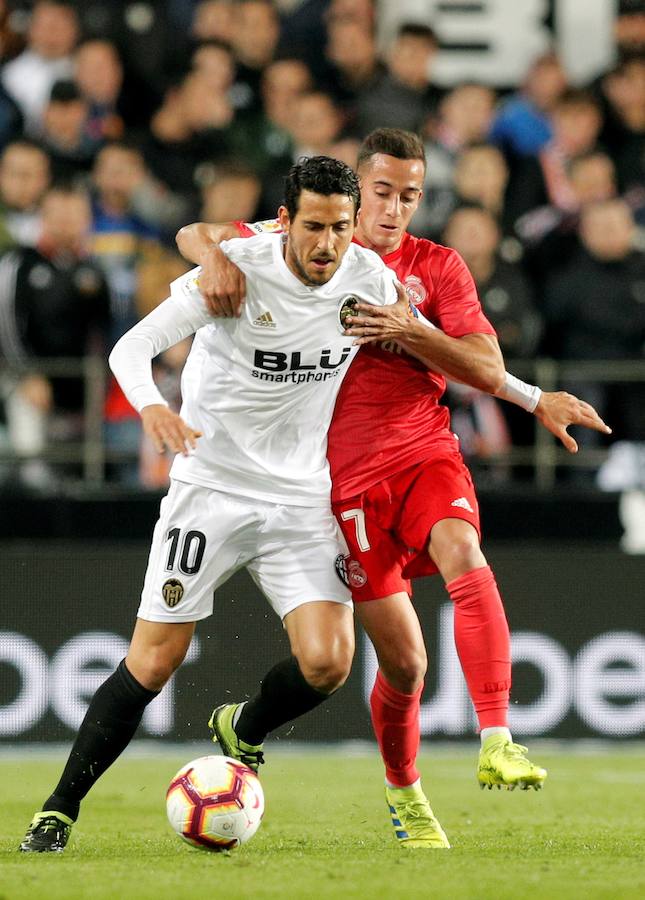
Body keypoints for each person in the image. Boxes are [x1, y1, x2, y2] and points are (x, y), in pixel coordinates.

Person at [176, 128, 611, 849]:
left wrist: (413, 333)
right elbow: (196, 232)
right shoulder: (302, 242)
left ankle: (497, 734)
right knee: (404, 663)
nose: (394, 208)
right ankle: (403, 791)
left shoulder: (436, 268)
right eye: (381, 192)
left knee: (464, 552)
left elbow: (480, 361)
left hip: (422, 452)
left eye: (409, 195)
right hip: (339, 480)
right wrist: (217, 257)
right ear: (355, 190)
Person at [18, 155, 400, 853]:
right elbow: (130, 350)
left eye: (340, 229)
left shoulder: (369, 281)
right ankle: (58, 810)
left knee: (328, 664)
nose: (325, 245)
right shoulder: (236, 270)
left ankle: (242, 729)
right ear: (283, 220)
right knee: (154, 660)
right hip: (211, 490)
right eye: (312, 226)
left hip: (299, 501)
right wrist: (153, 409)